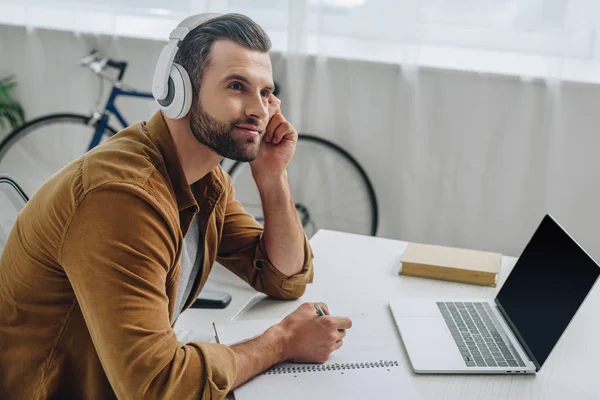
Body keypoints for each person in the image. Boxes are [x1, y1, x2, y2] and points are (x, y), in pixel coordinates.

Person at [0, 12, 352, 400]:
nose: (259, 109)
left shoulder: (204, 177)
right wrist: (282, 341)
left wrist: (272, 176)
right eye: (237, 86)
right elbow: (157, 387)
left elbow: (282, 277)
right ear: (177, 90)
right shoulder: (121, 199)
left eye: (266, 92)